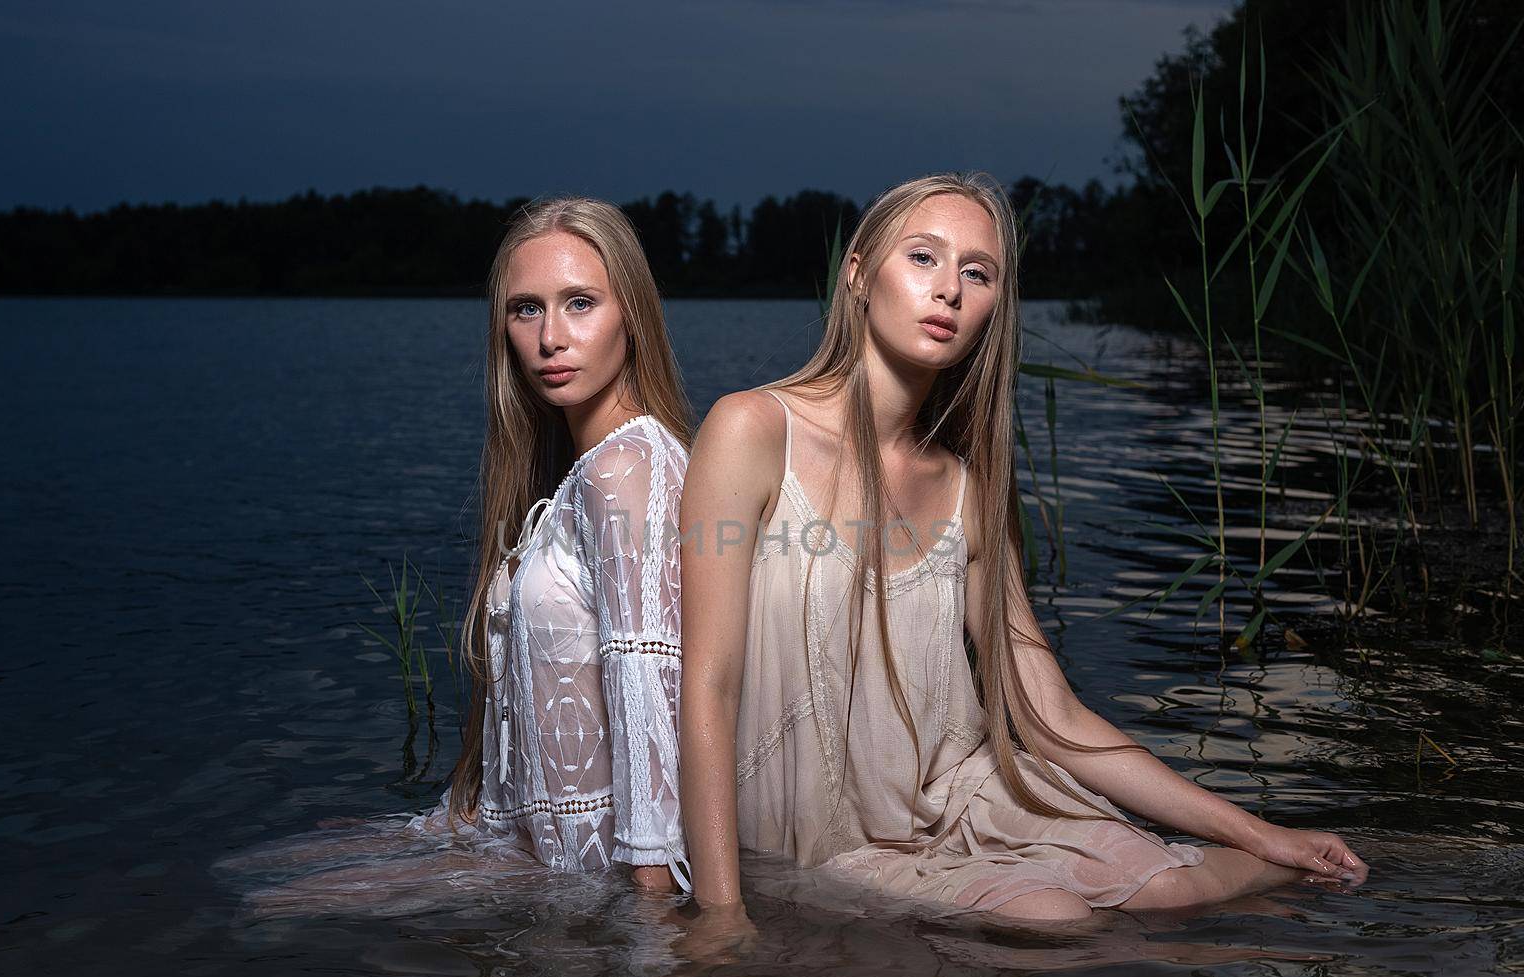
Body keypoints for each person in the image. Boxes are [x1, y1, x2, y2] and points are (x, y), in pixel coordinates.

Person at [675, 173, 1368, 933]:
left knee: (1171, 889)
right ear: (857, 276)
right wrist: (721, 911)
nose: (948, 292)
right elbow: (710, 688)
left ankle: (1313, 892)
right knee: (1054, 916)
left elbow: (1048, 710)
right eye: (922, 258)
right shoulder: (751, 430)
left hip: (962, 795)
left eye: (977, 273)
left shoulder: (967, 488)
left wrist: (1261, 830)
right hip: (813, 825)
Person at [426, 195, 694, 893]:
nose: (550, 338)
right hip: (524, 846)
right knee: (264, 875)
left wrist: (651, 939)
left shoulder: (624, 469)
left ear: (632, 314)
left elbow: (649, 701)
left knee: (263, 903)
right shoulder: (593, 465)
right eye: (526, 309)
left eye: (580, 304)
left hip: (583, 878)